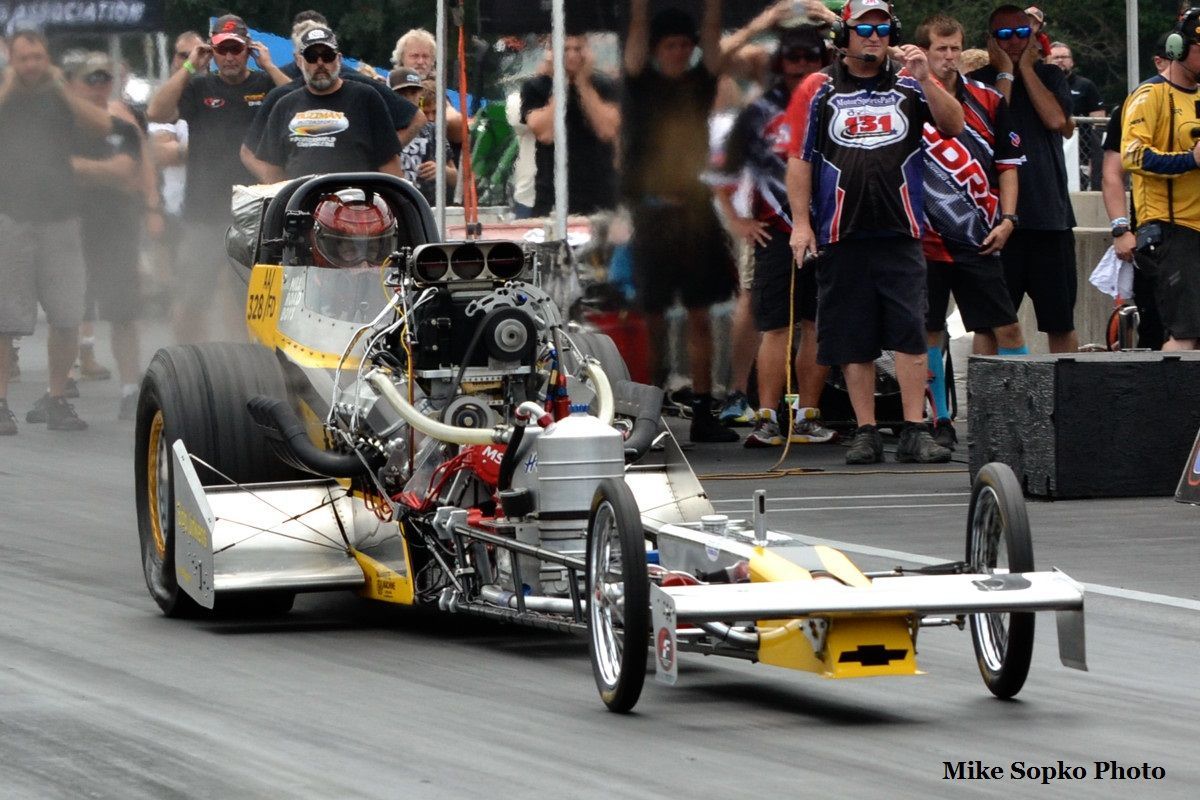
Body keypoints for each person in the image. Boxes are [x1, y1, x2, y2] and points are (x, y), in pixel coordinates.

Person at [786, 0, 963, 464]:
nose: (874, 37)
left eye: (882, 29)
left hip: (900, 230)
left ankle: (914, 428)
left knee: (911, 331)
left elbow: (954, 125)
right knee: (853, 336)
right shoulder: (819, 88)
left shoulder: (909, 83)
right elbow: (799, 159)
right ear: (843, 35)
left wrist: (926, 78)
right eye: (864, 29)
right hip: (840, 231)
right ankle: (865, 429)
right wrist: (801, 224)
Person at [715, 25, 836, 448]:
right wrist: (739, 222)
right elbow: (721, 172)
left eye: (810, 57)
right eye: (793, 57)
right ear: (780, 63)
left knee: (818, 325)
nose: (801, 65)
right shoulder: (759, 112)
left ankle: (807, 416)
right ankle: (766, 417)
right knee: (776, 327)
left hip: (827, 232)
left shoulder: (837, 104)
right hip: (777, 232)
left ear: (823, 60)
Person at [913, 15, 1028, 452]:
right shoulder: (907, 97)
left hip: (980, 236)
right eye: (940, 49)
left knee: (1008, 329)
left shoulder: (988, 99)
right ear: (924, 51)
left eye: (955, 48)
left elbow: (1008, 166)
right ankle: (939, 419)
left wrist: (1008, 220)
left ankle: (1012, 419)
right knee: (928, 333)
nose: (948, 57)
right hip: (923, 238)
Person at [146, 14, 289, 345]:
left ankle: (246, 362)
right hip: (204, 211)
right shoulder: (199, 87)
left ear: (248, 49)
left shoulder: (266, 85)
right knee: (190, 300)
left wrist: (269, 66)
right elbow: (155, 112)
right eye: (222, 49)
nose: (229, 57)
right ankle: (190, 360)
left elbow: (298, 104)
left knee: (249, 302)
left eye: (236, 49)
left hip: (256, 212)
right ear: (212, 51)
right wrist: (190, 66)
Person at [0, 30, 112, 434]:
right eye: (23, 58)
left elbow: (102, 126)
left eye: (37, 57)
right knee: (5, 320)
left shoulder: (60, 93)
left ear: (46, 58)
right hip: (12, 216)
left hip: (62, 218)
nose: (31, 65)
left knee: (67, 316)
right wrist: (9, 84)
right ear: (12, 60)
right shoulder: (6, 94)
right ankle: (0, 404)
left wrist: (63, 89)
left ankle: (57, 397)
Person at [968, 5, 1078, 354]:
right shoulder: (979, 81)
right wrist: (1005, 72)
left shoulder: (1050, 75)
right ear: (990, 40)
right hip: (997, 223)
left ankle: (1069, 388)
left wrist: (1027, 69)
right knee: (991, 324)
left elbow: (1056, 120)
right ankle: (986, 390)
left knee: (1060, 321)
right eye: (1004, 35)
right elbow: (993, 123)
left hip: (1049, 218)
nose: (1013, 42)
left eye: (1021, 34)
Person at [59, 52, 152, 421]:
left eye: (104, 80)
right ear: (74, 86)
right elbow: (52, 171)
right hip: (71, 227)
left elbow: (127, 172)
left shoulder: (123, 128)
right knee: (67, 310)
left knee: (122, 312)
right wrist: (104, 171)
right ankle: (60, 385)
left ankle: (129, 388)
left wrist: (77, 169)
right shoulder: (62, 128)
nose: (99, 87)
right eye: (91, 80)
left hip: (116, 230)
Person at [242, 20, 422, 183]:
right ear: (300, 61)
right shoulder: (284, 104)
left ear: (339, 59)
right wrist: (286, 198)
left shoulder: (367, 97)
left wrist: (395, 201)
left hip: (356, 201)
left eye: (327, 55)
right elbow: (271, 170)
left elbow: (389, 163)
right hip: (301, 202)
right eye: (312, 56)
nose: (320, 63)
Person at [1120, 10, 1200, 351]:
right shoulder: (1149, 94)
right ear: (1178, 48)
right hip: (1172, 228)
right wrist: (1189, 160)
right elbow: (1132, 156)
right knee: (1185, 333)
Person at [1099, 39, 1169, 349]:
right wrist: (1120, 228)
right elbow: (1112, 173)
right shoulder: (1138, 102)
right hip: (1155, 232)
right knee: (1157, 328)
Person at [520, 34, 620, 217]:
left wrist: (583, 84)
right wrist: (562, 84)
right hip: (552, 196)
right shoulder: (535, 88)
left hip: (600, 195)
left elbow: (607, 130)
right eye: (565, 50)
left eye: (578, 49)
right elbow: (546, 134)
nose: (572, 56)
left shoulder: (606, 85)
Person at [390, 71, 456, 205]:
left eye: (413, 93)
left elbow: (456, 179)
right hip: (393, 203)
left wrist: (441, 170)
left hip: (428, 207)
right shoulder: (382, 127)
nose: (409, 98)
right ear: (389, 95)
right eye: (402, 94)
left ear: (420, 95)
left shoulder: (433, 130)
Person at [392, 28, 466, 145]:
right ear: (401, 58)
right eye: (415, 56)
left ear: (433, 60)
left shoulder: (437, 89)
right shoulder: (390, 85)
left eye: (425, 56)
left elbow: (453, 118)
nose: (420, 61)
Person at [1048, 42, 1104, 118]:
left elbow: (1099, 119)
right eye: (1056, 57)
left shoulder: (1086, 85)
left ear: (1072, 62)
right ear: (1048, 61)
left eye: (1064, 57)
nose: (1060, 60)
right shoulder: (1041, 84)